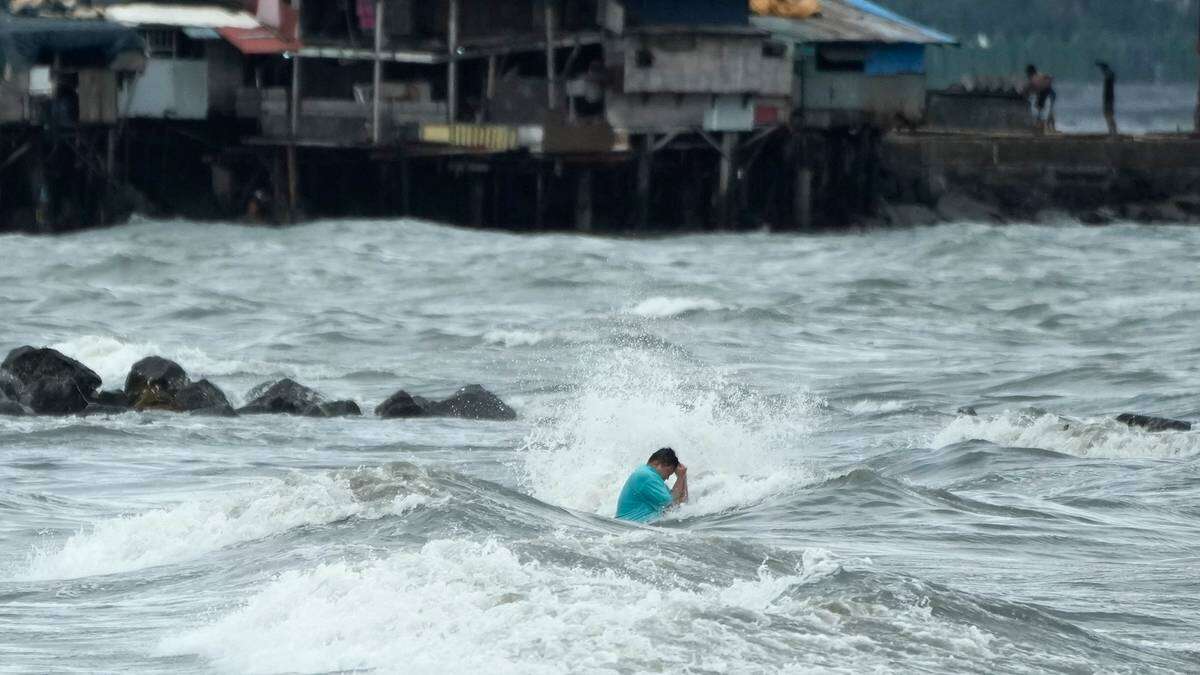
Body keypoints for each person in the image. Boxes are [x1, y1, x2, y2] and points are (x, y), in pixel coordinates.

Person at [615, 447, 688, 523]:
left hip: (633, 528)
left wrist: (683, 476)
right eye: (668, 472)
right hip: (629, 527)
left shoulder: (651, 477)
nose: (667, 477)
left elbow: (681, 504)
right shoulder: (647, 476)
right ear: (659, 464)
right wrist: (680, 477)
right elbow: (671, 506)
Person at [1023, 64, 1056, 133]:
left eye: (1027, 73)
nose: (1027, 74)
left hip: (1047, 93)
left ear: (1030, 72)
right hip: (1043, 93)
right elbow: (1029, 89)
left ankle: (1048, 128)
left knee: (1046, 111)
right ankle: (1047, 128)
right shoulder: (1036, 77)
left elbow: (1029, 88)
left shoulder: (1035, 78)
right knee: (1043, 110)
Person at [1096, 61, 1117, 136]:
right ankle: (1112, 131)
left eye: (1102, 69)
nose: (1101, 71)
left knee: (1108, 115)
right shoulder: (1109, 75)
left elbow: (1110, 75)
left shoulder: (1109, 75)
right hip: (1108, 98)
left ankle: (1113, 132)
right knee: (1107, 115)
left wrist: (1103, 67)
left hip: (1109, 98)